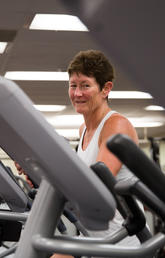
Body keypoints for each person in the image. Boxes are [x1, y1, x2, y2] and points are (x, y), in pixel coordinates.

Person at [16, 50, 141, 258]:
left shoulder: (116, 126)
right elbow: (77, 183)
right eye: (73, 85)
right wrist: (39, 173)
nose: (77, 93)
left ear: (106, 88)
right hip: (93, 238)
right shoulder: (83, 131)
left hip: (121, 244)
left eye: (85, 85)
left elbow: (94, 189)